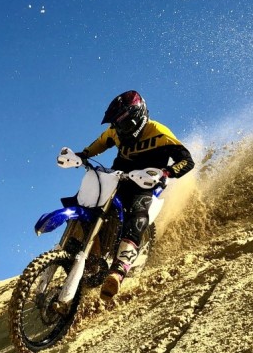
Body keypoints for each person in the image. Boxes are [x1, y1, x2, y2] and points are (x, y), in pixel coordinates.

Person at [77, 90, 194, 299]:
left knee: (137, 213)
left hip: (145, 183)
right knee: (90, 203)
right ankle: (91, 256)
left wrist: (167, 172)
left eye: (123, 123)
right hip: (118, 177)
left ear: (137, 117)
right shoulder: (114, 132)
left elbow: (187, 160)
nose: (119, 128)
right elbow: (100, 143)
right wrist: (84, 154)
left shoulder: (159, 133)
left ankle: (118, 271)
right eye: (116, 124)